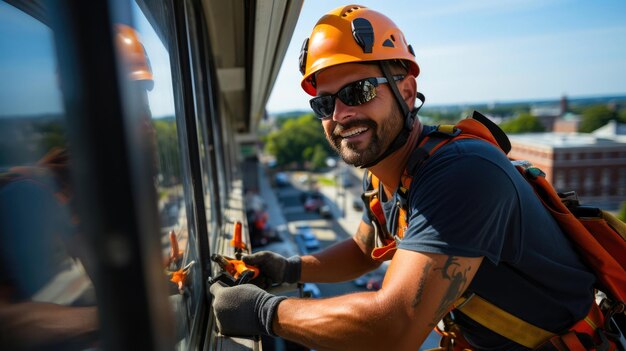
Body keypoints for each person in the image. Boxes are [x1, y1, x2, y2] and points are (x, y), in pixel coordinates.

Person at [209, 5, 596, 350]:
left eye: (358, 91)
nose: (341, 114)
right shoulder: (384, 177)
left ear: (407, 92)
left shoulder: (462, 173)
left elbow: (394, 330)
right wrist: (289, 268)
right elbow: (363, 253)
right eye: (325, 103)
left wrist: (263, 312)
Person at [0, 23, 159, 350]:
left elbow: (106, 279)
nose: (146, 123)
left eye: (143, 104)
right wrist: (127, 315)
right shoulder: (29, 195)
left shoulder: (92, 195)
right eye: (128, 106)